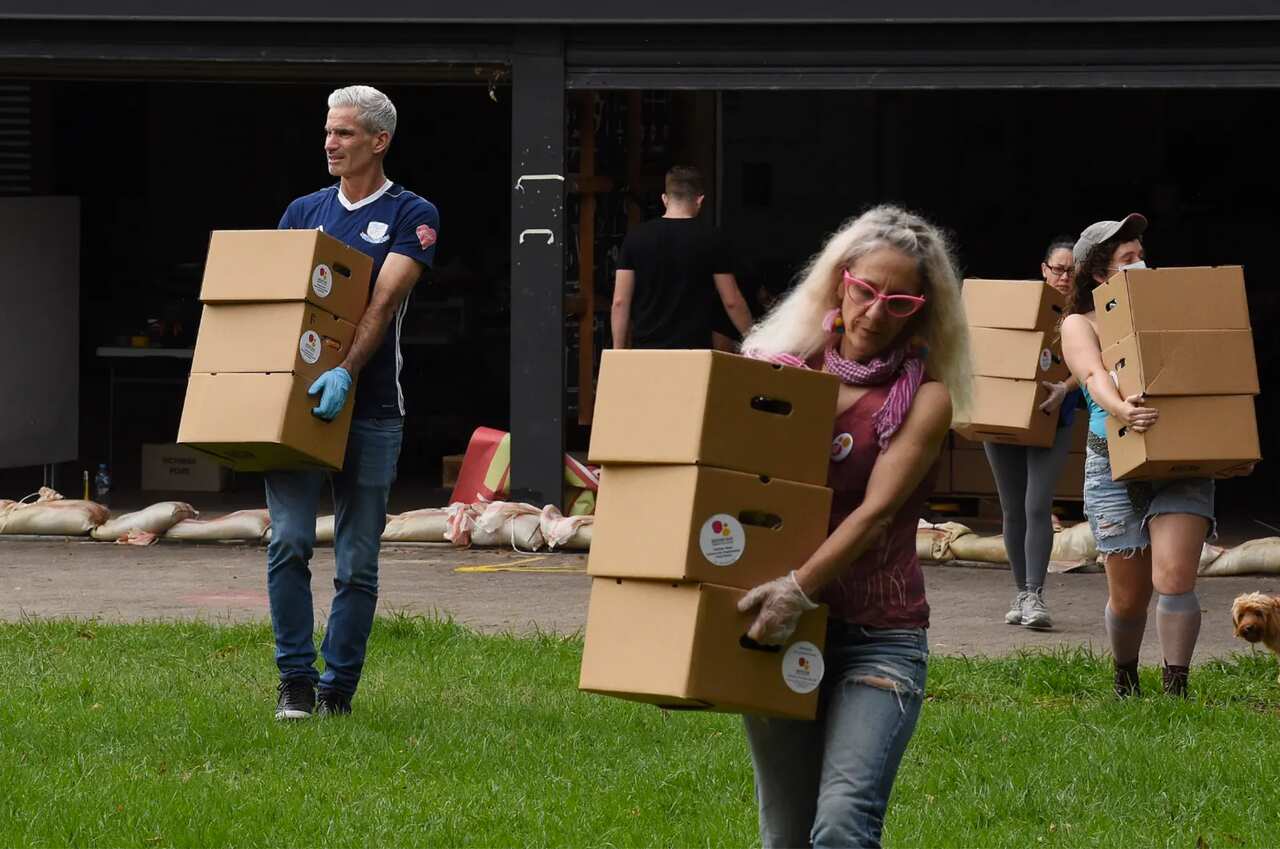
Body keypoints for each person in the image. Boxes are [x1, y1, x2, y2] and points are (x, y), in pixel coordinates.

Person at [737, 205, 972, 848]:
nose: (874, 312)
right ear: (840, 281)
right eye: (866, 290)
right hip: (780, 628)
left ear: (921, 311)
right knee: (786, 835)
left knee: (843, 824)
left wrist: (797, 588)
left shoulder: (926, 399)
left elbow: (875, 514)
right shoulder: (780, 372)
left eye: (899, 302)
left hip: (879, 635)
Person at [267, 85, 439, 720]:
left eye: (343, 133)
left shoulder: (412, 214)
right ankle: (295, 681)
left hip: (371, 410)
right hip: (295, 409)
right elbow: (275, 302)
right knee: (288, 542)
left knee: (357, 561)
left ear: (379, 141)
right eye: (327, 131)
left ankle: (337, 690)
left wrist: (343, 371)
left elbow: (382, 302)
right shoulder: (302, 212)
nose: (330, 143)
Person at [1060, 213, 1212, 698]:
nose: (1140, 264)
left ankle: (1176, 689)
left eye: (1141, 255)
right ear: (1098, 273)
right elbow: (1092, 376)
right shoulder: (1079, 324)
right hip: (1114, 462)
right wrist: (1121, 408)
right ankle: (1125, 679)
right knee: (1128, 599)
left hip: (1179, 457)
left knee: (1174, 577)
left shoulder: (1169, 314)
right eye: (1127, 258)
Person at [984, 237, 1084, 630]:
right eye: (1058, 269)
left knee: (1037, 505)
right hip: (1004, 414)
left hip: (1052, 417)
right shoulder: (1018, 306)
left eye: (1071, 270)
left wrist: (1066, 388)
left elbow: (1095, 364)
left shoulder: (1083, 314)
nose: (1064, 276)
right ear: (1044, 269)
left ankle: (1034, 593)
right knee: (1012, 507)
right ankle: (1021, 594)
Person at [610, 166, 752, 350]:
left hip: (646, 353)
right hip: (693, 353)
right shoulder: (712, 239)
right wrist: (756, 342)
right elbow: (732, 301)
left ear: (664, 199)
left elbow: (620, 302)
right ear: (700, 200)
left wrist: (618, 352)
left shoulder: (636, 237)